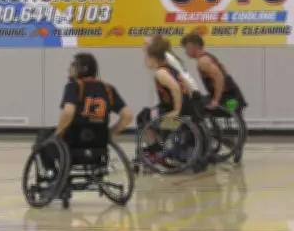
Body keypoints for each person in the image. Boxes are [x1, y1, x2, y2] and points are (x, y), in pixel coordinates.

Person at [35, 53, 133, 179]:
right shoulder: (108, 89)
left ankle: (50, 172)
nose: (68, 69)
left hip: (73, 144)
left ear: (82, 68)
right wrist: (109, 133)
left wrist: (58, 133)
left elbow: (68, 112)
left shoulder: (74, 86)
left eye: (72, 65)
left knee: (43, 136)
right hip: (98, 146)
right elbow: (128, 116)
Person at [142, 36, 208, 172]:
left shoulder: (161, 73)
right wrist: (190, 101)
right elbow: (187, 85)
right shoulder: (171, 68)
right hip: (187, 113)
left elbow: (176, 88)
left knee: (143, 118)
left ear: (153, 57)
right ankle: (160, 144)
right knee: (152, 114)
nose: (144, 59)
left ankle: (155, 150)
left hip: (177, 118)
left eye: (146, 56)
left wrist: (176, 111)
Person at [180, 33, 247, 113]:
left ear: (195, 46)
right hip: (234, 99)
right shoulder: (207, 57)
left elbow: (220, 78)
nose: (186, 51)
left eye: (187, 48)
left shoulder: (203, 61)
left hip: (230, 102)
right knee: (196, 102)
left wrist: (216, 100)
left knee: (191, 107)